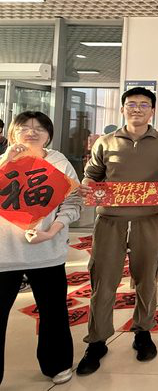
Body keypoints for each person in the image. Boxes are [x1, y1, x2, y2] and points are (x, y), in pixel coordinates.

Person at [76, 87, 158, 375]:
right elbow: (92, 176)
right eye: (131, 104)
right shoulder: (105, 142)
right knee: (103, 280)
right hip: (110, 221)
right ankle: (97, 341)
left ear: (152, 111)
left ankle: (143, 333)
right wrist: (86, 186)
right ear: (122, 109)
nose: (137, 109)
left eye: (144, 105)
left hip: (149, 220)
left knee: (147, 279)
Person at [0, 111, 80, 386]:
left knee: (53, 311)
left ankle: (57, 364)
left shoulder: (59, 162)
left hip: (47, 253)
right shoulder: (3, 160)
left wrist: (51, 232)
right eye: (24, 127)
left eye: (39, 128)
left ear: (48, 135)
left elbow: (72, 203)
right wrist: (7, 161)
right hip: (4, 255)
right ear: (13, 133)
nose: (32, 132)